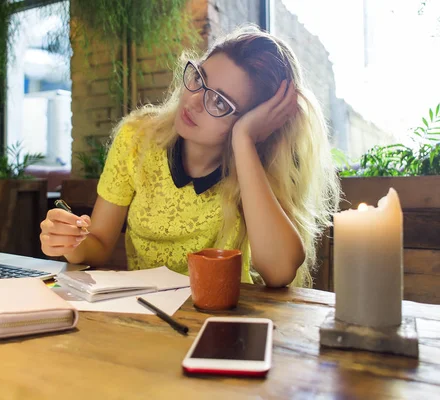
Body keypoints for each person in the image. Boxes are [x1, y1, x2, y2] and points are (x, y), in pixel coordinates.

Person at [40, 24, 340, 288]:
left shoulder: (256, 165)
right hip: (146, 316)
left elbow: (279, 272)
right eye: (199, 77)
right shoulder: (137, 138)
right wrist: (70, 242)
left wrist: (243, 141)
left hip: (225, 321)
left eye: (220, 102)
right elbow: (100, 243)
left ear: (258, 122)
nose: (194, 101)